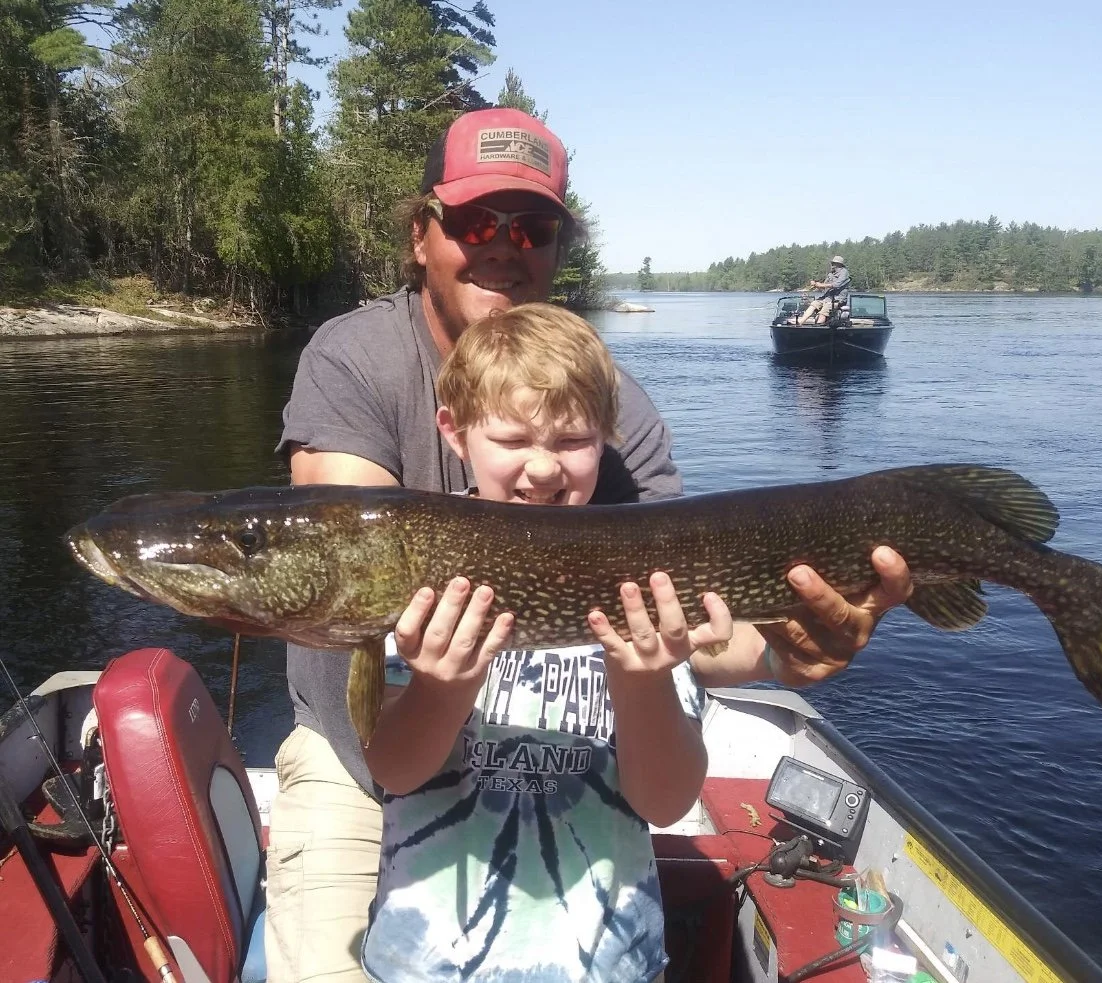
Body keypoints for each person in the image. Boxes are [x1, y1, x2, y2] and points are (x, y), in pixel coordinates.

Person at [269, 106, 912, 982]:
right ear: (422, 235)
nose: (504, 244)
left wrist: (787, 651)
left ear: (557, 247)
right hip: (371, 754)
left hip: (587, 776)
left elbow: (682, 619)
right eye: (474, 221)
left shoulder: (610, 405)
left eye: (531, 226)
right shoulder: (355, 358)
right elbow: (352, 563)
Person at [360, 303, 721, 982]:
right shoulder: (410, 567)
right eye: (514, 438)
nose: (543, 468)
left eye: (571, 440)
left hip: (606, 962)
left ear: (607, 438)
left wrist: (642, 681)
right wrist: (442, 686)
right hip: (426, 963)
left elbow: (666, 801)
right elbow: (394, 768)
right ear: (454, 431)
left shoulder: (643, 577)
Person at [797, 255, 851, 325]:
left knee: (825, 309)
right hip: (827, 298)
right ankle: (801, 321)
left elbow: (836, 285)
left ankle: (818, 327)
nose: (832, 265)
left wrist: (820, 285)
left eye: (834, 263)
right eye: (832, 263)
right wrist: (816, 285)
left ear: (839, 264)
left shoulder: (844, 272)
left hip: (838, 299)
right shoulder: (831, 274)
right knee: (814, 304)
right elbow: (824, 286)